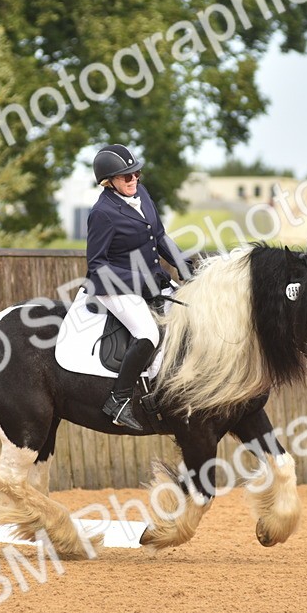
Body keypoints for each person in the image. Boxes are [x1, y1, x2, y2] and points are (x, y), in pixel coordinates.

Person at [84, 144, 191, 430]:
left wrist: (184, 268)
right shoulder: (102, 213)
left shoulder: (141, 194)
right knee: (147, 333)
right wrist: (141, 281)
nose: (134, 180)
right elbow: (97, 265)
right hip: (113, 287)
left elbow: (159, 235)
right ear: (109, 181)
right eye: (126, 177)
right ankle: (118, 402)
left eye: (136, 174)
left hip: (150, 280)